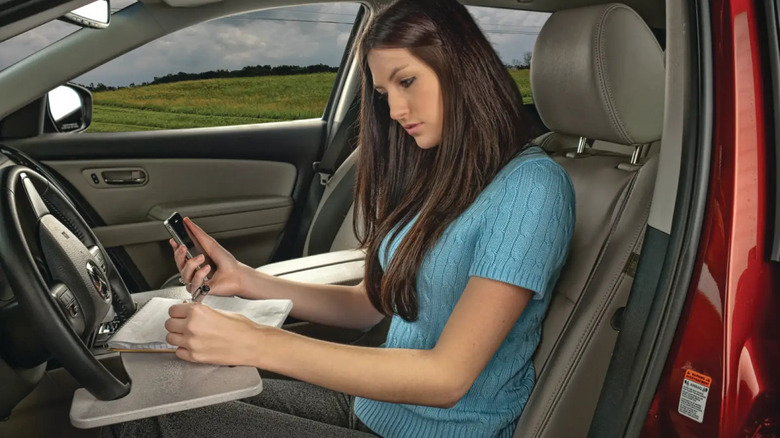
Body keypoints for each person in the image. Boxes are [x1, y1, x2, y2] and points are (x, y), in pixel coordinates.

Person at [103, 0, 574, 436]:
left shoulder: (531, 189)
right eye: (384, 92)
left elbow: (446, 379)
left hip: (440, 429)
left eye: (406, 81)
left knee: (151, 424)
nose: (393, 110)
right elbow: (367, 306)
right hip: (373, 406)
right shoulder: (440, 174)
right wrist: (245, 279)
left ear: (462, 66)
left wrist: (256, 343)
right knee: (148, 403)